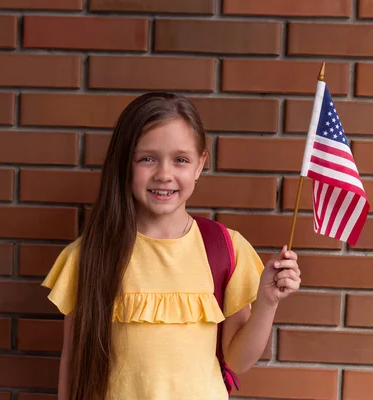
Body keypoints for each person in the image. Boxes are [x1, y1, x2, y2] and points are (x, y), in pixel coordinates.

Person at [41, 92, 301, 400]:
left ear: (200, 164)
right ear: (125, 164)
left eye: (180, 160)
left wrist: (267, 304)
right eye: (147, 158)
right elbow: (73, 363)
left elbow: (238, 361)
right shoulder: (89, 255)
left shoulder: (225, 248)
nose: (164, 174)